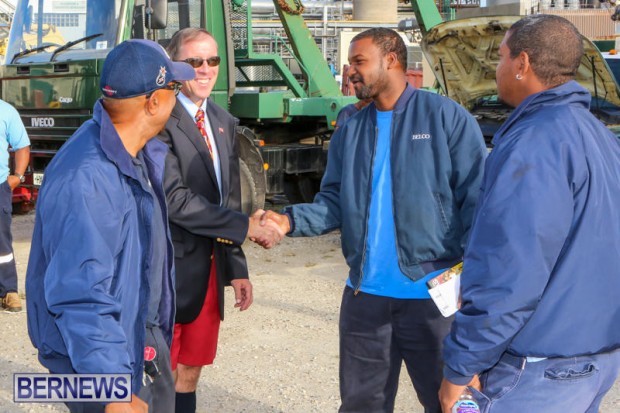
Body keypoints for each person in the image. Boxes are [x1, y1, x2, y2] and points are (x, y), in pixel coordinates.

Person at [260, 28, 486, 413]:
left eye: (359, 61)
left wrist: (475, 290)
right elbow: (333, 200)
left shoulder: (444, 116)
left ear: (392, 60)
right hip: (364, 297)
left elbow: (478, 205)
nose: (350, 71)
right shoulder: (351, 124)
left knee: (452, 404)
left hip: (431, 299)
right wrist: (287, 221)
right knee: (361, 405)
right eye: (350, 63)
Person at [438, 15, 620, 413]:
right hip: (597, 356)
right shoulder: (599, 136)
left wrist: (461, 366)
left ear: (522, 64)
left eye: (501, 57)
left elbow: (511, 271)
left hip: (540, 368)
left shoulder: (534, 143)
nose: (496, 68)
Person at [26, 39, 195, 413]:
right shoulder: (88, 176)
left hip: (135, 343)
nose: (179, 96)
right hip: (108, 364)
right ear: (153, 102)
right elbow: (80, 293)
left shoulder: (132, 154)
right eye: (174, 88)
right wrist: (114, 393)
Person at [158, 28, 281, 413]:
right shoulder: (159, 117)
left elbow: (229, 199)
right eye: (195, 61)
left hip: (209, 271)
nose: (206, 69)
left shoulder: (223, 120)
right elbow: (174, 199)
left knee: (191, 372)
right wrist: (247, 227)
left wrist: (236, 267)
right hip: (167, 273)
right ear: (175, 66)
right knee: (158, 376)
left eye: (212, 60)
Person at [0, 99, 29, 312]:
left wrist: (17, 177)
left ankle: (8, 291)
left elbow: (22, 146)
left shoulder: (6, 111)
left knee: (1, 241)